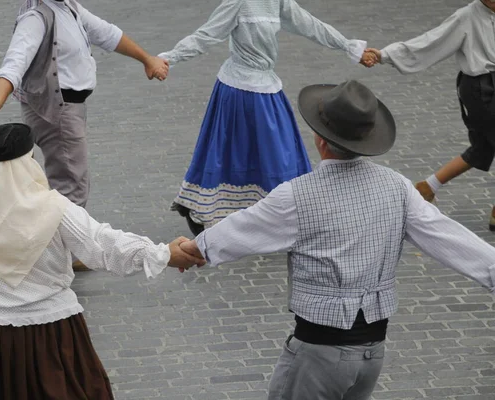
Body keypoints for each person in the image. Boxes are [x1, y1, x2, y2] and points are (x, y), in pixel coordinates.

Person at [179, 80, 495, 400]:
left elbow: (242, 229)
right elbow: (449, 237)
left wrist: (192, 249)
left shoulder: (298, 195)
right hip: (372, 355)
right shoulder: (398, 188)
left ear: (320, 139)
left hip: (319, 354)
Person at [0, 123, 204, 400]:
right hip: (48, 335)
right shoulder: (55, 210)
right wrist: (163, 254)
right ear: (29, 164)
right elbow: (102, 244)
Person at [0, 0, 169, 271]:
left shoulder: (68, 7)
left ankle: (62, 247)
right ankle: (62, 254)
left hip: (68, 107)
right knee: (70, 181)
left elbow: (108, 33)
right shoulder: (37, 17)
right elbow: (14, 63)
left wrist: (146, 58)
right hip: (58, 110)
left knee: (69, 177)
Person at [158, 0, 375, 235]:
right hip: (239, 90)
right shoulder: (239, 3)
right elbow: (205, 35)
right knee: (239, 152)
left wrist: (350, 48)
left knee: (279, 151)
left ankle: (284, 211)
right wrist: (168, 58)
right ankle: (216, 209)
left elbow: (311, 25)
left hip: (265, 85)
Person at [365, 0, 495, 230]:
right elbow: (431, 42)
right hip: (481, 89)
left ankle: (428, 187)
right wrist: (386, 55)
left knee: (483, 148)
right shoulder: (466, 16)